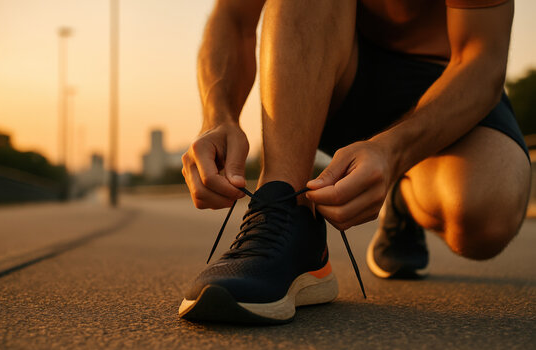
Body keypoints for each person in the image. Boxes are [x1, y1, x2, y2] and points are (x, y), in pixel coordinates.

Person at [178, 0, 531, 324]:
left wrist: (393, 154)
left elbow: (481, 57)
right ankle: (285, 211)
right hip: (328, 66)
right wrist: (218, 116)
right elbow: (233, 17)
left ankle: (403, 197)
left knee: (483, 215)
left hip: (446, 79)